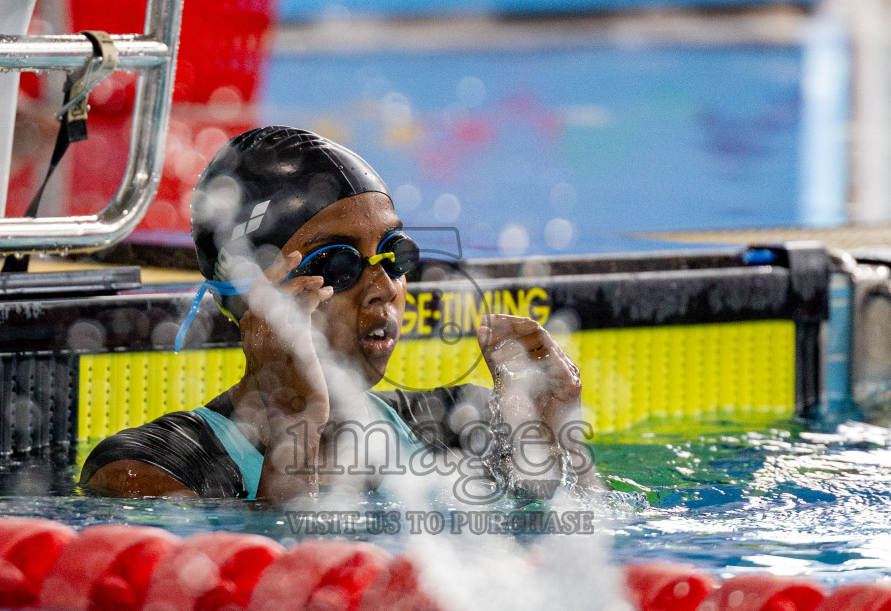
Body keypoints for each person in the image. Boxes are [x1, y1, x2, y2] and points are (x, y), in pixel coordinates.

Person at [81, 126, 589, 503]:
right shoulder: (148, 468)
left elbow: (578, 535)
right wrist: (294, 425)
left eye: (395, 254)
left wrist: (551, 451)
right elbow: (278, 606)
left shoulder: (457, 422)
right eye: (337, 264)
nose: (384, 286)